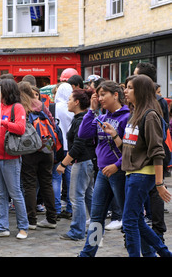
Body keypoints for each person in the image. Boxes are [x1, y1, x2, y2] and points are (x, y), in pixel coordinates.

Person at [121, 74, 172, 257]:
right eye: (126, 87)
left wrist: (159, 183)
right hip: (132, 173)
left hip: (142, 174)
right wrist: (114, 135)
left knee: (129, 221)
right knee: (137, 221)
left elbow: (157, 152)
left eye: (130, 87)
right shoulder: (135, 114)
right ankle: (165, 253)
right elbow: (132, 147)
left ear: (141, 91)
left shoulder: (150, 116)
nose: (125, 91)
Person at [77, 81, 130, 257]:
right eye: (98, 95)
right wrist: (91, 111)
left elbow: (131, 150)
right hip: (102, 173)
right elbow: (83, 134)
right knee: (97, 217)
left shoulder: (127, 117)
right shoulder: (102, 116)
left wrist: (117, 165)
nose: (100, 99)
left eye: (103, 95)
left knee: (129, 218)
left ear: (115, 95)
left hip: (120, 172)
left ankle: (143, 248)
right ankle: (88, 253)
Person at [0, 79, 30, 239]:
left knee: (15, 193)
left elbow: (21, 128)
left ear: (6, 91)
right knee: (0, 194)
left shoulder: (17, 107)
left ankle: (23, 227)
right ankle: (2, 227)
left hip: (11, 158)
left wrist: (2, 122)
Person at [57, 88, 95, 241]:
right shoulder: (81, 117)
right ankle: (94, 228)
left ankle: (77, 231)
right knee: (88, 196)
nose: (68, 102)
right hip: (88, 161)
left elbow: (78, 145)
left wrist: (64, 164)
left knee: (76, 197)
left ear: (77, 102)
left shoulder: (81, 119)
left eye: (70, 99)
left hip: (83, 162)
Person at [18, 81, 57, 230]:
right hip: (47, 148)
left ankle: (31, 220)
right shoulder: (41, 105)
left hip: (29, 149)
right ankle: (52, 218)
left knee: (29, 184)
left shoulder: (21, 106)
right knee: (47, 183)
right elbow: (53, 124)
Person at [52, 83, 74, 219]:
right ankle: (71, 208)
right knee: (70, 179)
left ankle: (56, 208)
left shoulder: (54, 107)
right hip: (70, 147)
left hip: (57, 146)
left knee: (55, 177)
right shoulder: (71, 107)